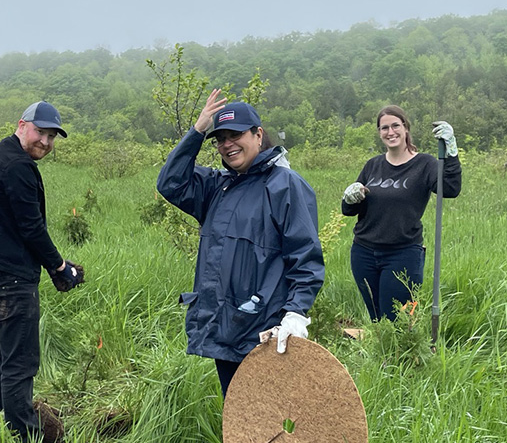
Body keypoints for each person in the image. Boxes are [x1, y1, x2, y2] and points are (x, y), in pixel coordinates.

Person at [156, 90, 324, 398]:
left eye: (236, 135)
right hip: (226, 325)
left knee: (269, 416)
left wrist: (296, 313)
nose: (227, 144)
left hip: (266, 332)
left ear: (258, 135)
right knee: (237, 416)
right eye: (220, 139)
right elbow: (170, 183)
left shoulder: (285, 186)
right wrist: (197, 132)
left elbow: (305, 257)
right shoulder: (215, 187)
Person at [0, 100, 84, 443]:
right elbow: (32, 228)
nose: (45, 142)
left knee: (4, 354)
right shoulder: (17, 166)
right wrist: (60, 267)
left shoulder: (4, 155)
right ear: (22, 125)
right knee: (21, 362)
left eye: (51, 136)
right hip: (9, 279)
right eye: (40, 132)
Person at [340, 106, 462, 322]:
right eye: (384, 128)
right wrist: (348, 198)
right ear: (379, 133)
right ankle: (380, 356)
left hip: (403, 254)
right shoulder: (373, 165)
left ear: (405, 128)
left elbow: (450, 189)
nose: (390, 132)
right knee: (377, 318)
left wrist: (451, 151)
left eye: (395, 125)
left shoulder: (425, 164)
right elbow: (350, 210)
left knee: (399, 320)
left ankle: (402, 356)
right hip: (364, 253)